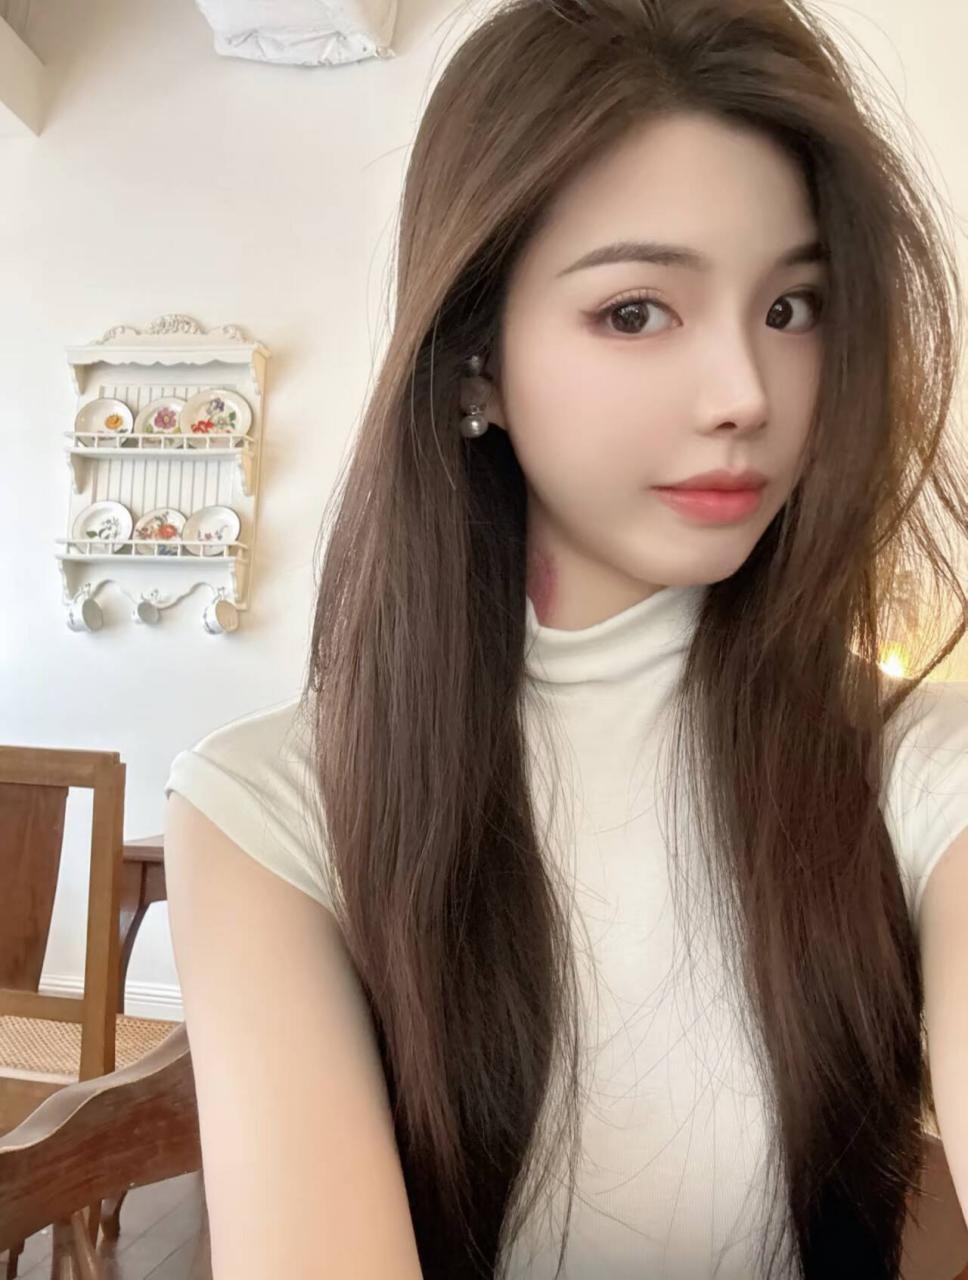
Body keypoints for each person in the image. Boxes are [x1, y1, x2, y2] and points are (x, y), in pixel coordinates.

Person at [162, 0, 968, 1275]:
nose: (745, 393)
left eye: (791, 306)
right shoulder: (269, 807)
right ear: (474, 360)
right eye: (636, 311)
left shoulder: (919, 763)